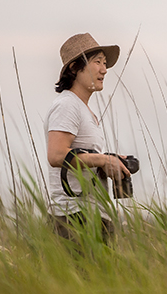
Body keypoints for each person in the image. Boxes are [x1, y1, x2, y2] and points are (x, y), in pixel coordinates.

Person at [45, 32, 131, 243]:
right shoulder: (67, 105)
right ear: (75, 68)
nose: (104, 69)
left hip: (90, 213)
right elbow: (56, 155)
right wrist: (102, 159)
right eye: (97, 62)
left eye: (104, 63)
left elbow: (78, 155)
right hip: (73, 216)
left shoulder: (83, 109)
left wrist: (107, 162)